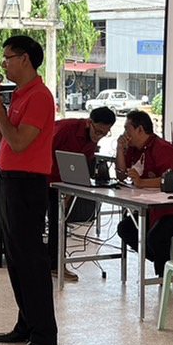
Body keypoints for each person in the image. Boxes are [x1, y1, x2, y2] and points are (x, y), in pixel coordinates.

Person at [0, 36, 58, 345]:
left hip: (28, 183)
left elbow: (22, 143)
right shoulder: (21, 94)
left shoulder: (39, 96)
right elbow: (6, 140)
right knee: (15, 257)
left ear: (25, 59)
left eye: (8, 58)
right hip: (11, 179)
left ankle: (44, 335)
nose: (4, 64)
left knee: (31, 260)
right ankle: (26, 323)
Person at [113, 109, 173, 276]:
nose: (125, 134)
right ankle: (170, 260)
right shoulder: (135, 149)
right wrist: (119, 150)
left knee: (156, 236)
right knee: (126, 228)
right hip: (153, 206)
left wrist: (141, 182)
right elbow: (121, 175)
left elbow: (170, 179)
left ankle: (164, 275)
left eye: (127, 129)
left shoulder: (162, 148)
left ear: (140, 129)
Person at [47, 106, 116, 282]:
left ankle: (56, 264)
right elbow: (43, 149)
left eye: (104, 133)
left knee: (59, 221)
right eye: (98, 131)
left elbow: (78, 168)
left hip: (63, 183)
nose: (99, 136)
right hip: (43, 176)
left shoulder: (91, 141)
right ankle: (40, 263)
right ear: (89, 122)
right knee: (39, 222)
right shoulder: (65, 129)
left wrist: (71, 192)